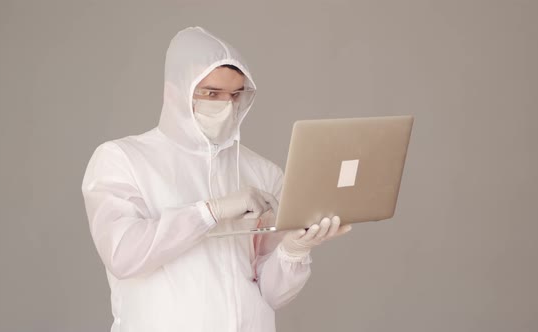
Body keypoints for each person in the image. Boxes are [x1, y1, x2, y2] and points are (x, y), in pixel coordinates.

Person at [81, 26, 351, 332]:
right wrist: (211, 211)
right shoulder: (123, 159)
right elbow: (123, 255)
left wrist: (294, 249)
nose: (225, 104)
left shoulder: (262, 172)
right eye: (211, 93)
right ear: (174, 92)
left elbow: (273, 294)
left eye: (235, 95)